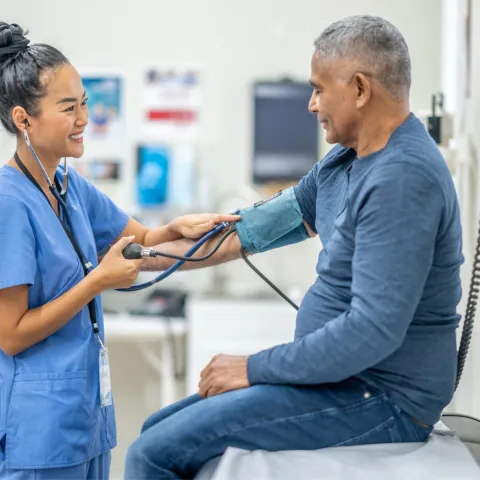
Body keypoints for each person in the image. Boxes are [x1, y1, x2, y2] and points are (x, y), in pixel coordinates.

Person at [124, 14, 464, 479]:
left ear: (361, 89)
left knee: (152, 453)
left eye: (320, 89)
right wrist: (138, 258)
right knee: (154, 429)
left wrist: (254, 367)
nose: (310, 104)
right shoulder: (344, 162)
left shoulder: (402, 179)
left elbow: (373, 331)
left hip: (384, 398)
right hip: (343, 383)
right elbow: (245, 230)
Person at [0, 22, 239, 480]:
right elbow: (10, 334)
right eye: (69, 108)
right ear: (22, 119)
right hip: (39, 431)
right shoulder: (10, 203)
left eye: (85, 103)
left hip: (86, 421)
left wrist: (176, 226)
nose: (84, 119)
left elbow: (143, 242)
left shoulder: (71, 187)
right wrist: (98, 282)